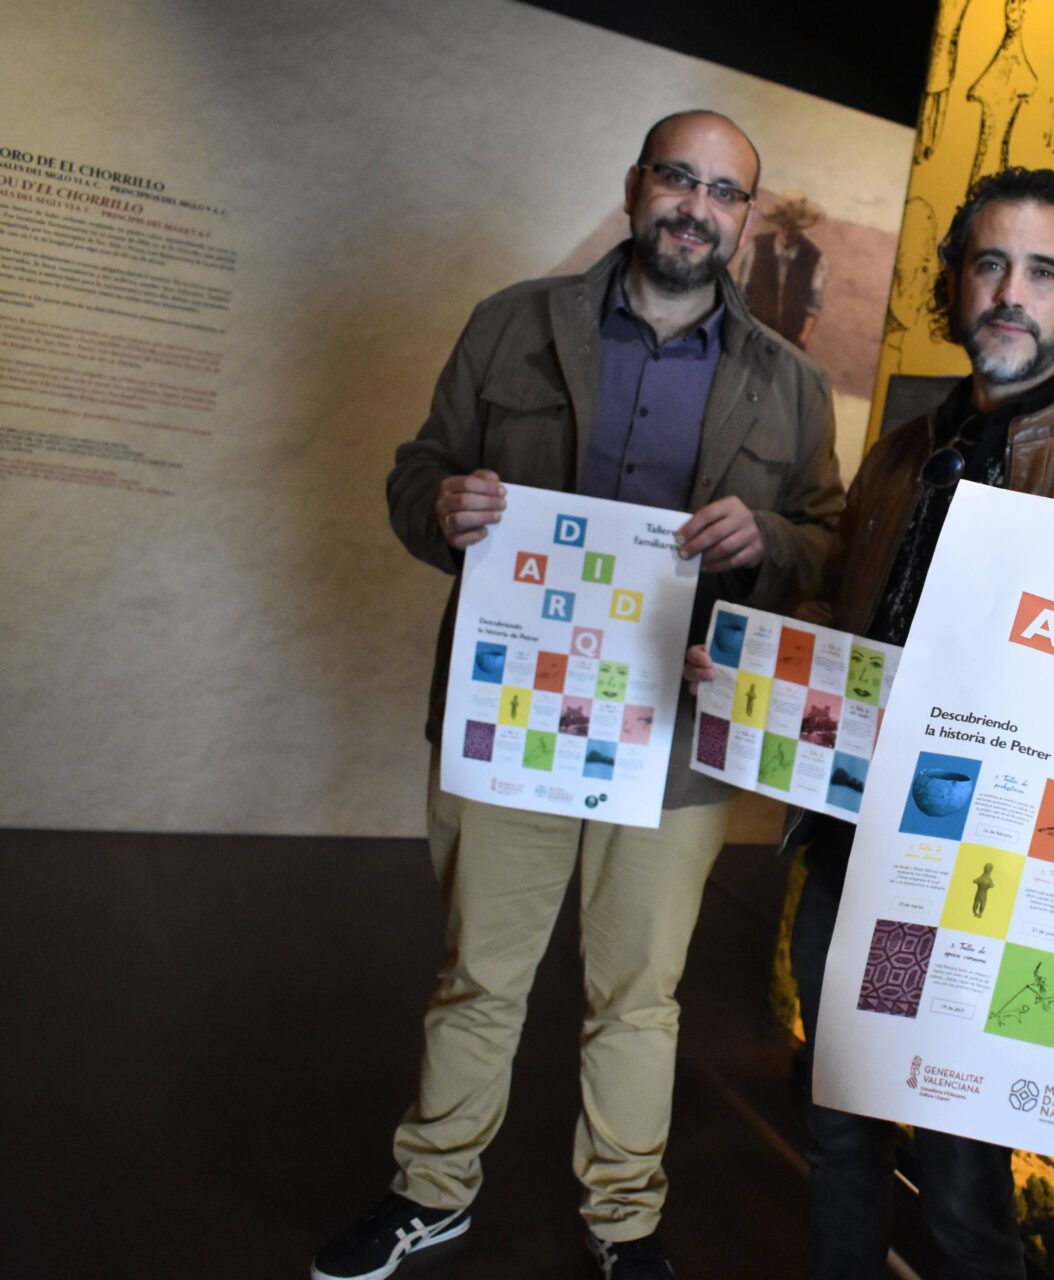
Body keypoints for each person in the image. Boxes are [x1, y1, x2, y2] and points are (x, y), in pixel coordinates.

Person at [312, 109, 843, 1280]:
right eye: (678, 179)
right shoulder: (512, 322)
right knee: (478, 974)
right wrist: (440, 505)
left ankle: (625, 1220)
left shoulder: (791, 384)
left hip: (678, 733)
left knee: (640, 995)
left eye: (723, 192)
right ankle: (431, 1189)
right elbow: (417, 470)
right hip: (513, 711)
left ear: (746, 218)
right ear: (637, 184)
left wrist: (768, 542)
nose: (696, 207)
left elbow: (826, 537)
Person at [689, 166, 1054, 1279]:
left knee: (965, 1171)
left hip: (997, 883)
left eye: (1043, 272)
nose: (1010, 293)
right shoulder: (899, 452)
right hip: (853, 847)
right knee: (840, 1126)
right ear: (958, 283)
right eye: (989, 264)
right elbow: (842, 615)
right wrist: (752, 672)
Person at [735, 191, 830, 349]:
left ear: (801, 227)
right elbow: (739, 295)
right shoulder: (756, 248)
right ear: (777, 222)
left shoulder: (814, 259)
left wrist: (800, 342)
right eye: (784, 224)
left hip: (789, 345)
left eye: (793, 227)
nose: (787, 231)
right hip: (752, 338)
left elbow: (813, 308)